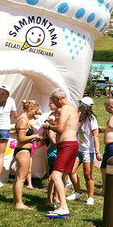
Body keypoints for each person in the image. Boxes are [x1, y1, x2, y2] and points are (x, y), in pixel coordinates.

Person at [42, 88, 79, 218]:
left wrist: (48, 126)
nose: (54, 104)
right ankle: (62, 205)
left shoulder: (65, 108)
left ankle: (63, 207)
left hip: (67, 145)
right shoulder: (72, 108)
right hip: (69, 145)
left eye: (53, 101)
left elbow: (61, 128)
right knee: (60, 176)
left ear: (58, 99)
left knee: (55, 175)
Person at [12, 100, 43, 210]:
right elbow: (21, 138)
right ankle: (19, 203)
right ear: (29, 109)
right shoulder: (23, 121)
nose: (36, 113)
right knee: (21, 178)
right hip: (23, 151)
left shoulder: (26, 120)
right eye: (35, 111)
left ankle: (16, 200)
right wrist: (35, 136)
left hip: (25, 150)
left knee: (19, 177)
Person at [72, 97, 99, 205]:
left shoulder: (92, 119)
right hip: (78, 149)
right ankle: (78, 192)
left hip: (88, 151)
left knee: (88, 175)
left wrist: (97, 152)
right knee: (71, 171)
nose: (79, 106)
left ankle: (90, 197)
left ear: (85, 106)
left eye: (81, 105)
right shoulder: (79, 117)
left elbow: (96, 135)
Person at [41, 100, 61, 208]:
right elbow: (53, 141)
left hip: (60, 151)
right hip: (53, 151)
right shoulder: (51, 127)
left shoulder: (60, 126)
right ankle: (49, 199)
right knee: (52, 176)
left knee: (60, 176)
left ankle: (56, 197)